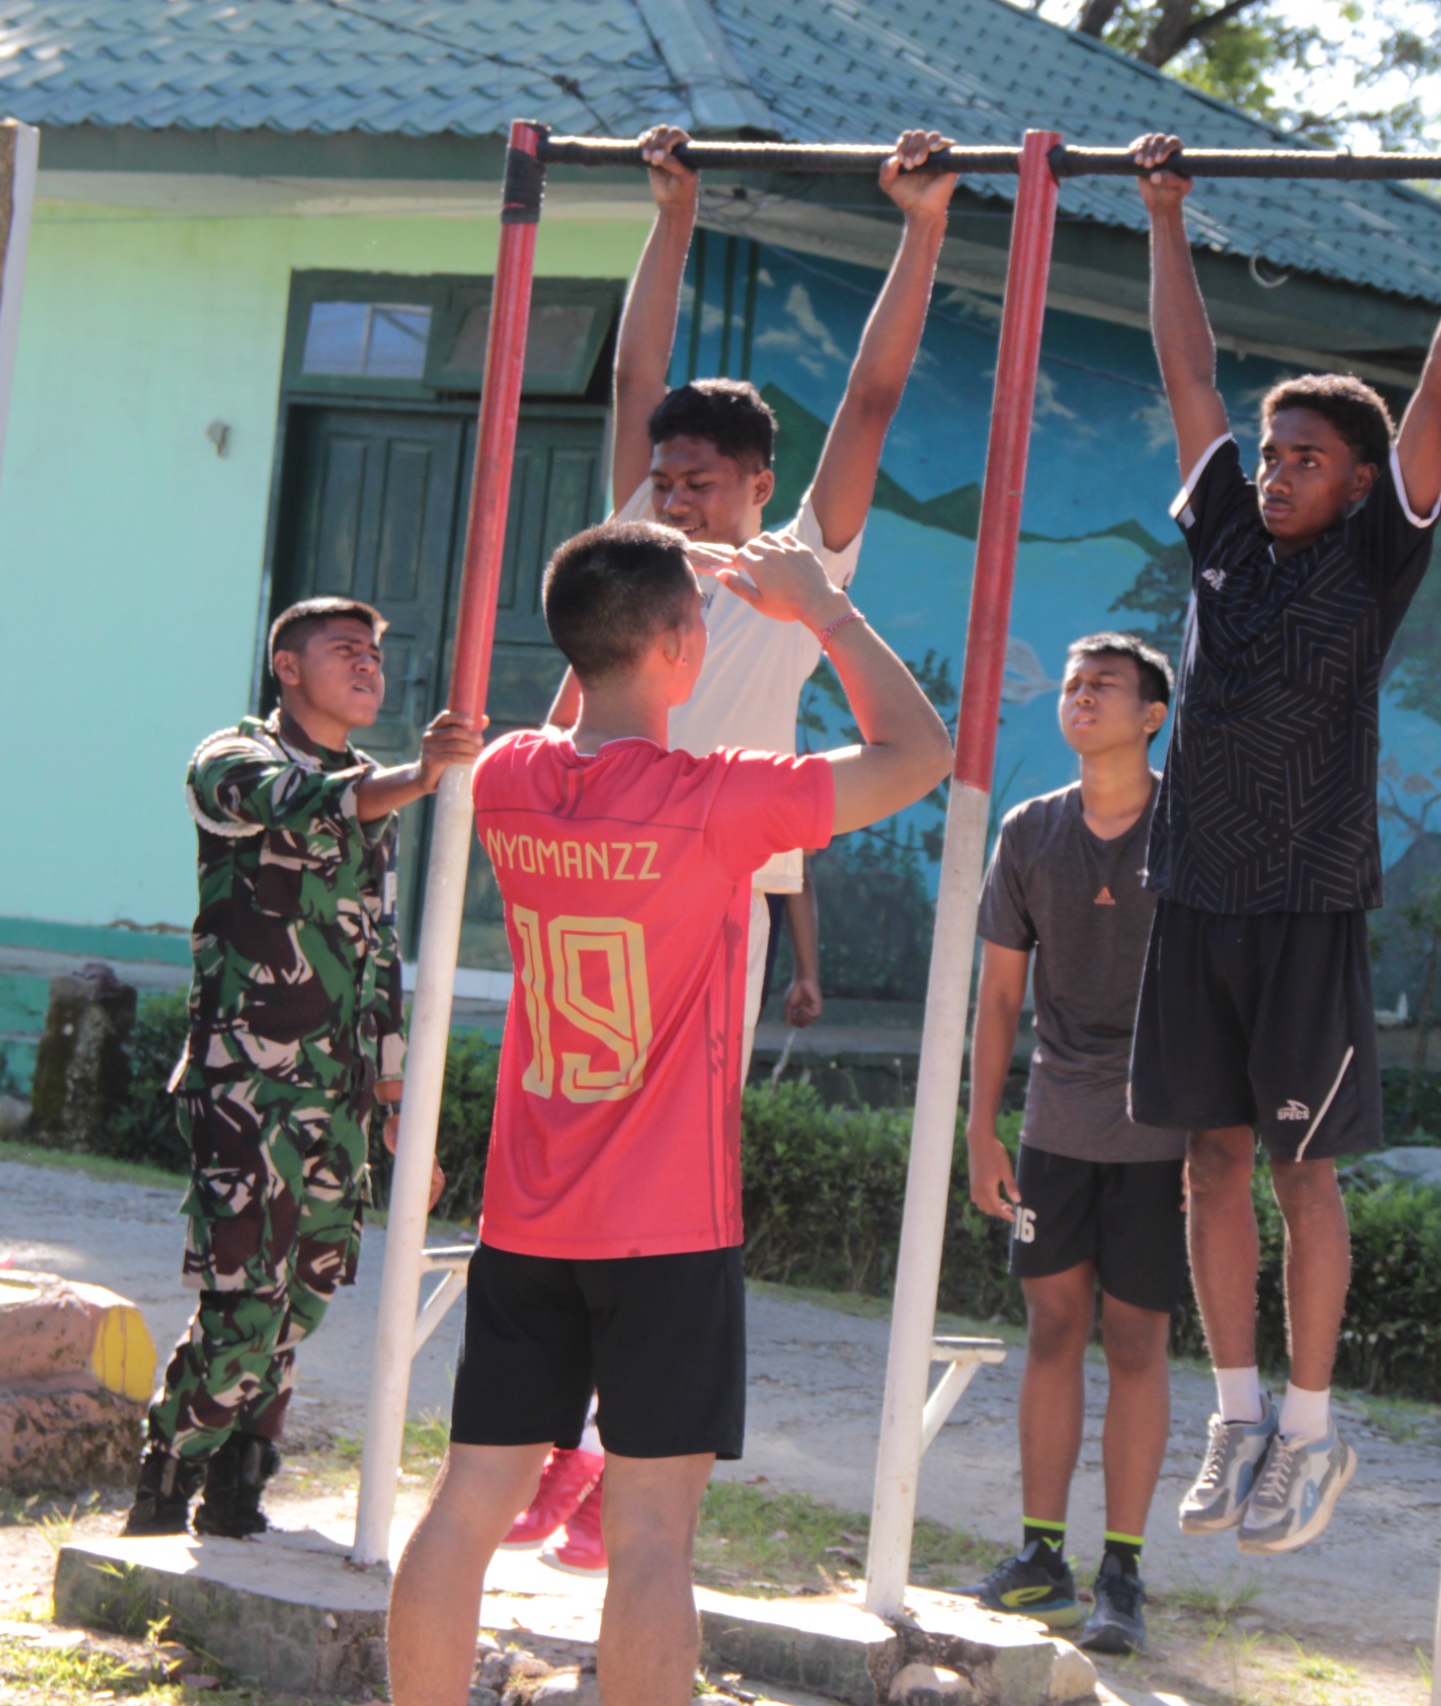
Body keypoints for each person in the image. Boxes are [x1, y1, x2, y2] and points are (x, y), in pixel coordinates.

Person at [387, 521, 951, 1706]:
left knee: (464, 1504)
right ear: (685, 641)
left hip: (527, 1218)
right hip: (667, 1227)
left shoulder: (505, 780)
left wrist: (623, 566)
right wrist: (817, 608)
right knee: (650, 1534)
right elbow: (918, 751)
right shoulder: (716, 801)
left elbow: (568, 711)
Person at [510, 119, 955, 1566]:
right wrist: (672, 212)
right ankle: (557, 1445)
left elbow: (878, 394)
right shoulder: (637, 551)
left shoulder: (798, 560)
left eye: (705, 479)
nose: (680, 497)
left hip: (717, 874)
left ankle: (607, 1448)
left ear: (759, 483)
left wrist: (926, 225)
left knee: (662, 1167)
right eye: (667, 477)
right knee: (567, 1138)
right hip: (598, 867)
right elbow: (640, 376)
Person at [1127, 132, 1441, 1554]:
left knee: (1305, 1171)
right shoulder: (1225, 531)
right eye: (1277, 449)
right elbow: (1188, 377)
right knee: (1209, 1161)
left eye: (1309, 455)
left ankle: (1310, 1425)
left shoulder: (1376, 549)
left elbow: (1440, 389)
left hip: (1308, 897)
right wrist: (1165, 212)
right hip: (1195, 890)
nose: (1283, 467)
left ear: (1363, 482)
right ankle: (1234, 1411)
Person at [125, 596, 483, 1539]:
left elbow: (377, 953)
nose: (367, 666)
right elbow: (298, 803)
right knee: (244, 1301)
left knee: (303, 1301)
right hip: (248, 1087)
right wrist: (420, 775)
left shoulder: (377, 789)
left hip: (341, 1093)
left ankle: (241, 1485)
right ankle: (166, 1481)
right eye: (343, 651)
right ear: (288, 668)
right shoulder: (232, 762)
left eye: (375, 653)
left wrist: (399, 1102)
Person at [961, 634, 1186, 1655]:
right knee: (1052, 1330)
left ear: (1153, 714)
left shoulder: (1192, 829)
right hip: (1055, 1122)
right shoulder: (1030, 831)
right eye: (1071, 682)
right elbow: (999, 992)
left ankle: (1122, 1573)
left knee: (1136, 1340)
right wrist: (980, 1127)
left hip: (1164, 1131)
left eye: (1106, 684)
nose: (1082, 694)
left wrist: (1219, 1153)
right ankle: (1041, 1555)